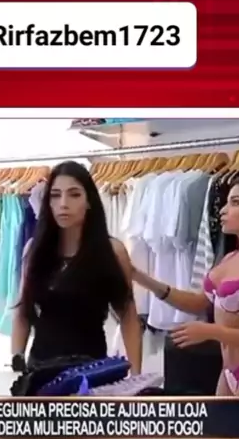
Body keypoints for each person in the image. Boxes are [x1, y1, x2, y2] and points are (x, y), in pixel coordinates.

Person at [131, 177, 239, 396]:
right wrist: (141, 278)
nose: (223, 210)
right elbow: (198, 302)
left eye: (235, 202)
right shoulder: (229, 259)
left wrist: (211, 331)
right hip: (228, 372)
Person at [11, 160, 142, 373]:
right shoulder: (35, 250)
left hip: (90, 372)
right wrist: (17, 364)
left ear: (89, 201)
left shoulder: (112, 251)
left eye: (74, 194)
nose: (63, 203)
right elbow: (22, 313)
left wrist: (136, 375)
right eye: (55, 195)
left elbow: (128, 316)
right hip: (41, 370)